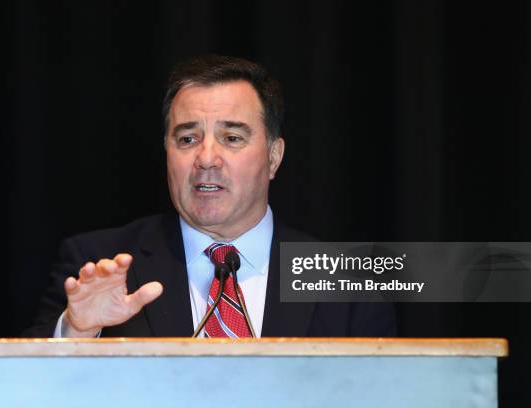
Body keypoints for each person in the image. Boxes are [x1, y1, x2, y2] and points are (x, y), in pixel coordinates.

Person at [24, 55, 396, 338]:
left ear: (273, 157)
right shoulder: (97, 264)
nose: (205, 159)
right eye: (187, 139)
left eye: (232, 138)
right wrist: (75, 334)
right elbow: (0, 394)